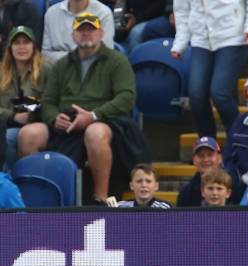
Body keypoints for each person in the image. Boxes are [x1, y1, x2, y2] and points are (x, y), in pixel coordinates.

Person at [17, 12, 150, 203]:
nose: (86, 33)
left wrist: (94, 115)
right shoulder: (61, 65)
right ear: (73, 35)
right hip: (67, 122)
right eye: (81, 30)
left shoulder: (117, 61)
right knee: (28, 134)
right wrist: (54, 118)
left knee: (95, 134)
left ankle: (101, 199)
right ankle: (34, 197)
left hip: (105, 120)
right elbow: (48, 100)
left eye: (91, 29)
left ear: (101, 33)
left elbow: (126, 98)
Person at [172, 0, 248, 138]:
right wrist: (180, 41)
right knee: (196, 94)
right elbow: (182, 9)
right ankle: (207, 145)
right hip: (201, 38)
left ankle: (239, 140)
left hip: (234, 36)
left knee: (220, 92)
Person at [0, 25, 50, 171]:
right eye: (17, 43)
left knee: (8, 138)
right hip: (5, 123)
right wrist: (13, 116)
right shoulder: (1, 71)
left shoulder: (46, 70)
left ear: (34, 46)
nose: (21, 47)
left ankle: (11, 180)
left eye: (26, 42)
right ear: (10, 48)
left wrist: (34, 112)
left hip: (36, 124)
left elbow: (51, 101)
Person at [42, 0, 114, 64]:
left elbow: (104, 55)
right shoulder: (51, 13)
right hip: (59, 71)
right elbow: (45, 54)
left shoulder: (103, 13)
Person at [177, 136, 242, 206]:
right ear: (194, 160)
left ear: (220, 158)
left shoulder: (235, 184)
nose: (205, 159)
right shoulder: (186, 192)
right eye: (201, 155)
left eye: (210, 155)